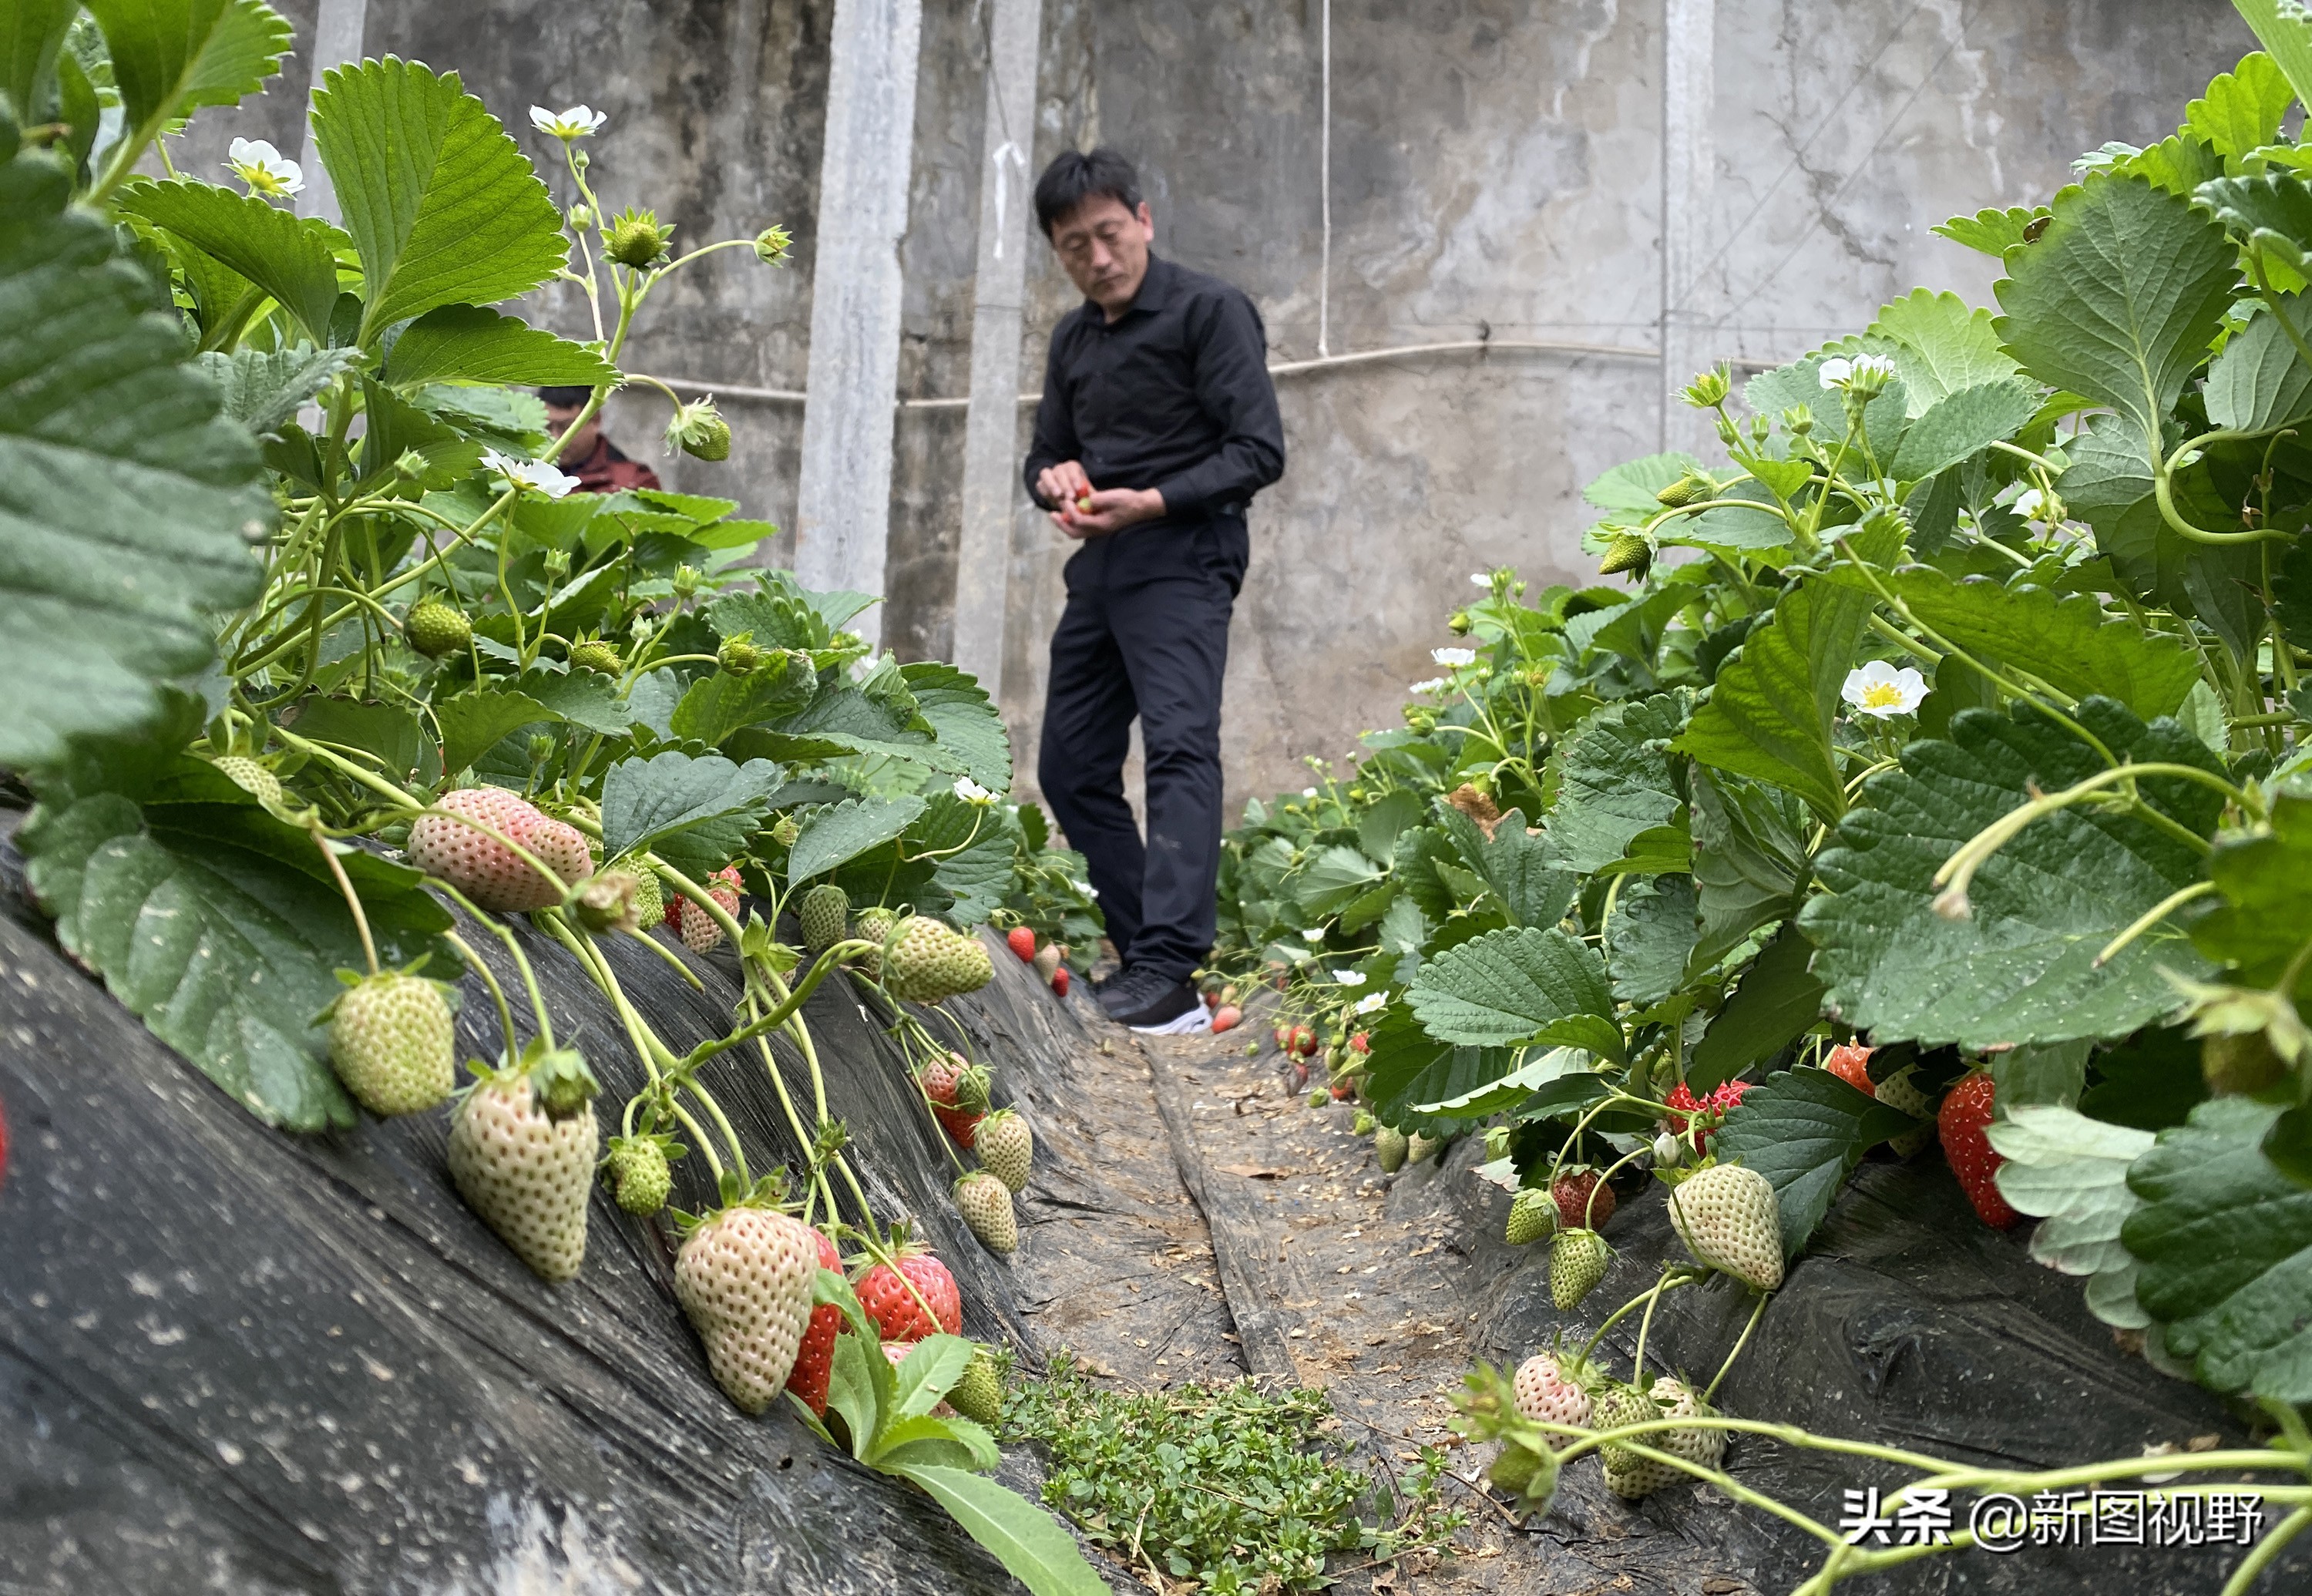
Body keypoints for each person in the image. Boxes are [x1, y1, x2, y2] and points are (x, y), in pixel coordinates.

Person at [1023, 148, 1285, 1035]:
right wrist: (1055, 483)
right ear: (1059, 254)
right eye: (1073, 246)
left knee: (1178, 748)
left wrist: (1155, 500)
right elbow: (1043, 455)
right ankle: (1148, 965)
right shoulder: (1073, 340)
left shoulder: (1209, 311)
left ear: (1143, 219)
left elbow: (1259, 450)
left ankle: (1171, 966)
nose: (1097, 258)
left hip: (1184, 553)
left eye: (1107, 234)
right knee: (1068, 766)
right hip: (1100, 562)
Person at [538, 386, 661, 492]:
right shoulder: (525, 471)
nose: (555, 438)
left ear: (596, 420)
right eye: (547, 427)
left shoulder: (633, 483)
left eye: (566, 427)